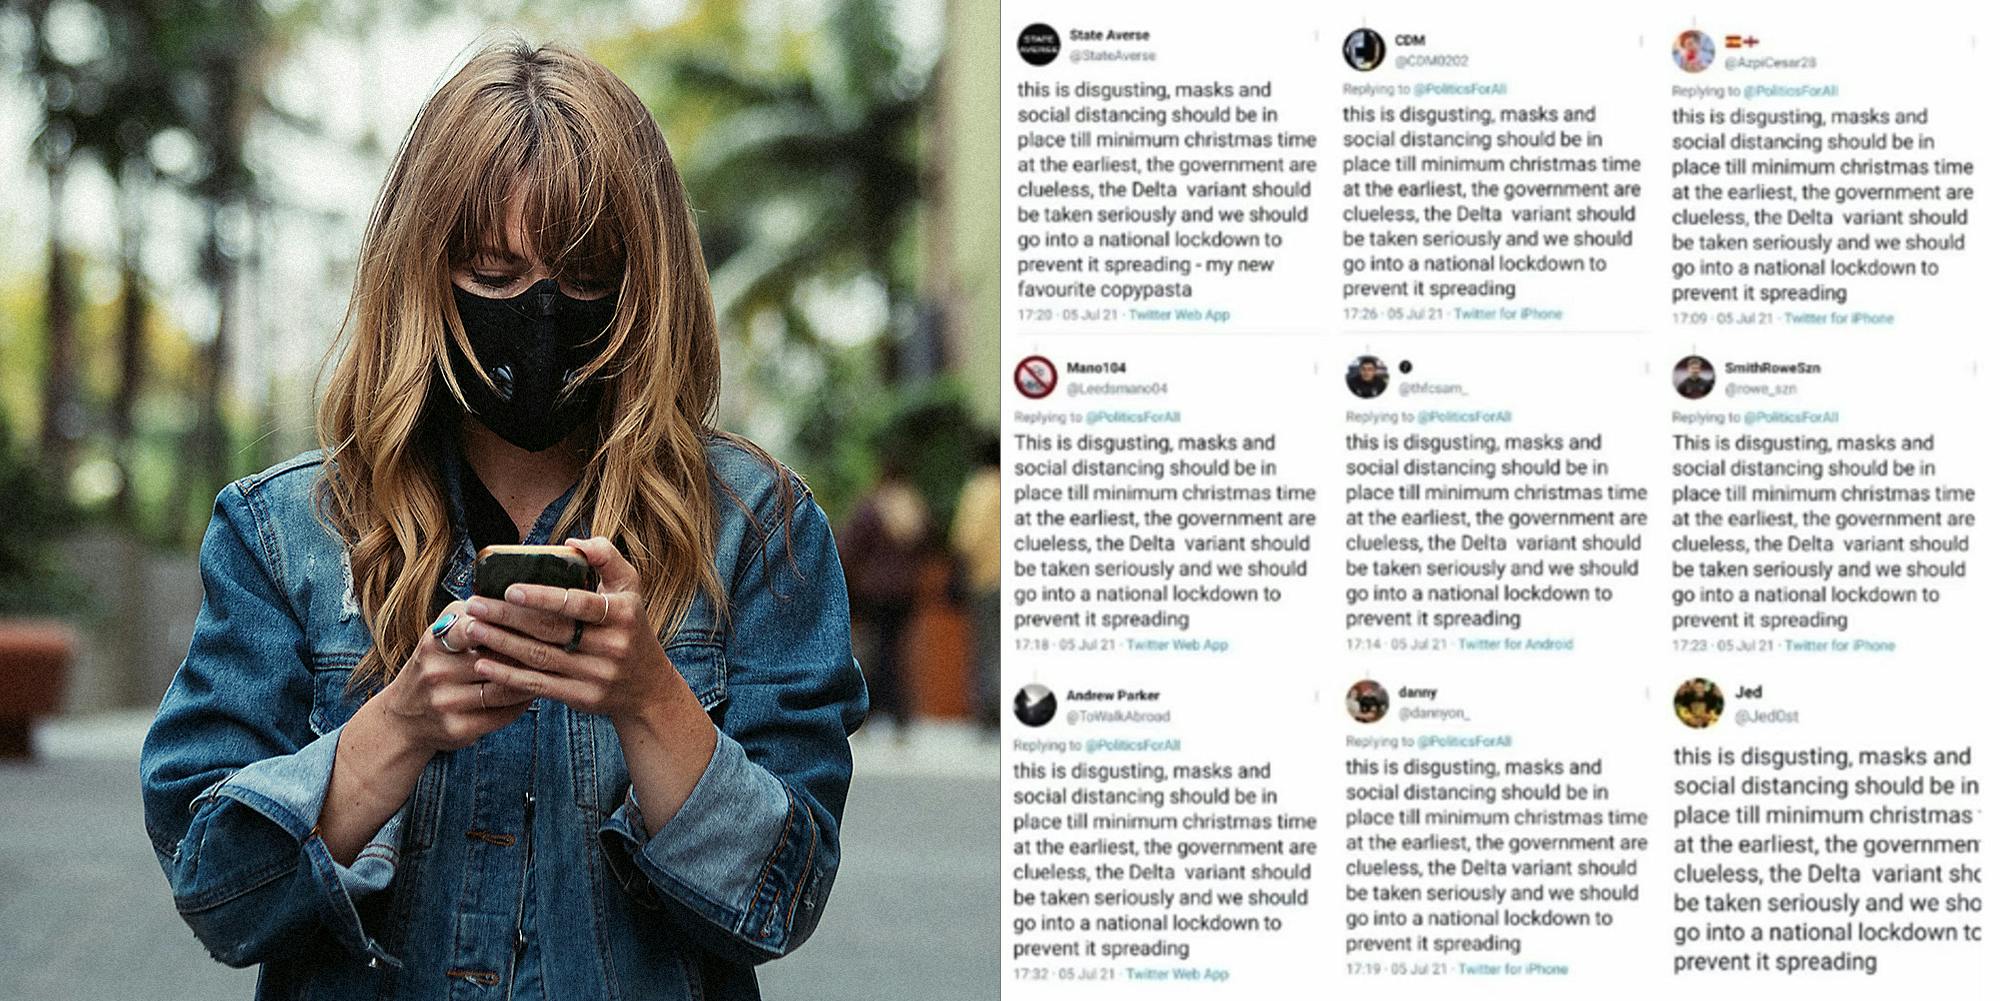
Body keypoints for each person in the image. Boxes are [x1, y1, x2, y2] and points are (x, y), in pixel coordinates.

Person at [138, 39, 867, 1001]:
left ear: (645, 283)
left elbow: (781, 902)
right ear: (424, 274)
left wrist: (650, 698)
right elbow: (219, 893)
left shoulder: (755, 527)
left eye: (584, 276)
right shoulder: (285, 531)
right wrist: (398, 725)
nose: (538, 313)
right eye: (490, 273)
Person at [838, 453, 930, 740]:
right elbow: (927, 543)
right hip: (905, 592)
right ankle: (900, 717)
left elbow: (849, 545)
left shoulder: (873, 505)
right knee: (896, 652)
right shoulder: (913, 505)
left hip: (875, 591)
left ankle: (867, 715)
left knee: (874, 652)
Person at [951, 436, 1003, 732]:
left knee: (987, 647)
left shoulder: (981, 488)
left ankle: (990, 714)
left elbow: (966, 537)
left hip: (987, 578)